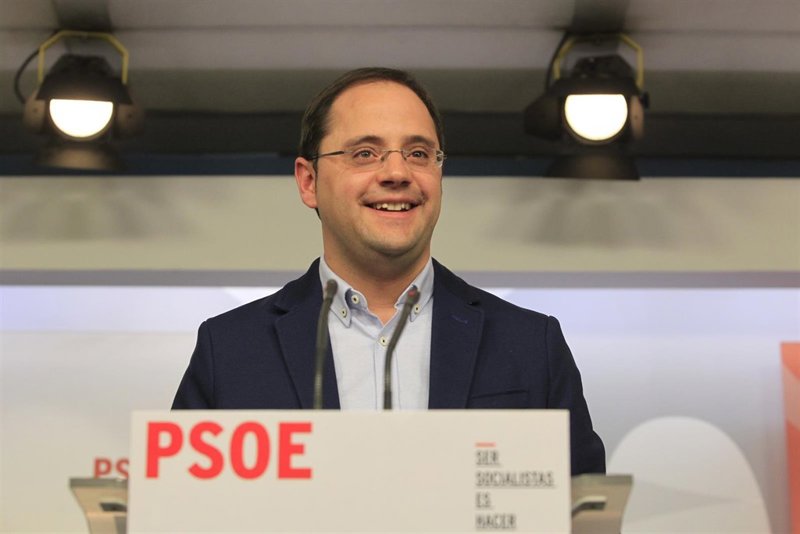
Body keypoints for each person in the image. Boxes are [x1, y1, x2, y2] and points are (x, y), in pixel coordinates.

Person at [172, 67, 606, 475]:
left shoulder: (530, 345)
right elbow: (180, 509)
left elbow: (583, 508)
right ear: (308, 182)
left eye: (419, 154)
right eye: (365, 153)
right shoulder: (229, 349)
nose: (397, 173)